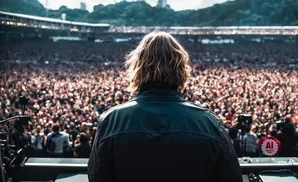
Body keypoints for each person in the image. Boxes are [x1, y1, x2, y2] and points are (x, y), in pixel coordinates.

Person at [88, 31, 242, 182]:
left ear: (137, 68)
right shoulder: (209, 122)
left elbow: (97, 176)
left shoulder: (111, 121)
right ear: (181, 69)